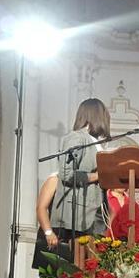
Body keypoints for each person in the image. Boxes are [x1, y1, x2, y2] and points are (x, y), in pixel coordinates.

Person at [51, 98, 110, 236]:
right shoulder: (77, 138)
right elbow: (66, 174)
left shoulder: (95, 142)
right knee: (76, 256)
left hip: (93, 214)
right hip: (76, 216)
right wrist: (96, 176)